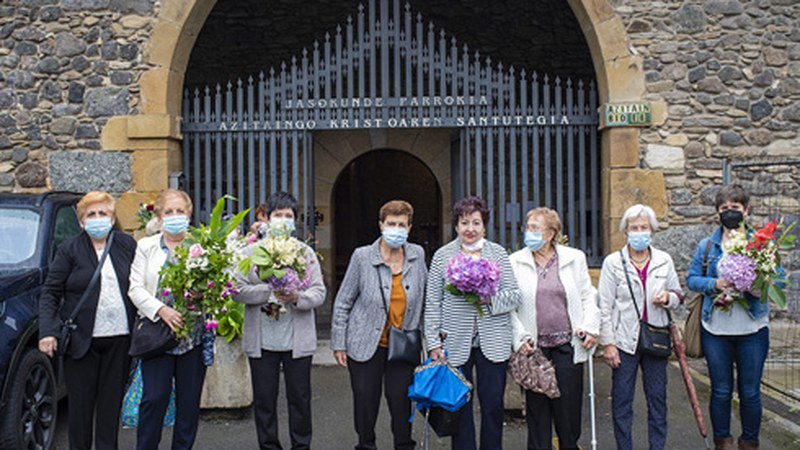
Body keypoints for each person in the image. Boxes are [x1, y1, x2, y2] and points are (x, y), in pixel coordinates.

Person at [38, 191, 137, 450]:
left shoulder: (127, 245)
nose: (97, 218)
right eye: (90, 215)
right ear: (81, 222)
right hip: (82, 341)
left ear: (112, 217)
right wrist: (47, 331)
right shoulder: (69, 249)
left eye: (102, 213)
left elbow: (140, 285)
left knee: (109, 408)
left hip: (119, 340)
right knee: (80, 410)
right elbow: (50, 292)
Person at [687, 186, 780, 450]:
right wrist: (716, 283)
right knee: (721, 390)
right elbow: (692, 279)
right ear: (717, 212)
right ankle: (723, 442)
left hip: (752, 329)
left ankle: (749, 442)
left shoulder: (762, 244)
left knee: (750, 392)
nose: (730, 213)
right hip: (716, 330)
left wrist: (755, 283)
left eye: (735, 208)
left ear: (745, 211)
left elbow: (776, 278)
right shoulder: (707, 246)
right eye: (725, 208)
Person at [424, 196, 521, 450]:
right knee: (459, 405)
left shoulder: (497, 253)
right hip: (454, 340)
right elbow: (433, 302)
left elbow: (513, 296)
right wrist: (433, 342)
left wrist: (487, 297)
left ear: (484, 226)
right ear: (456, 225)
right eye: (464, 222)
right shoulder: (442, 256)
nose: (470, 229)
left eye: (476, 223)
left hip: (494, 341)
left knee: (492, 406)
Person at [233, 191, 326, 450]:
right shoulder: (250, 252)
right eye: (278, 215)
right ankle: (269, 446)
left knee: (300, 399)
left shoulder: (305, 254)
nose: (283, 220)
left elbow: (319, 292)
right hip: (262, 341)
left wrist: (296, 296)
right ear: (266, 218)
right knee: (264, 401)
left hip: (296, 340)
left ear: (295, 221)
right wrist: (268, 292)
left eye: (288, 216)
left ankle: (301, 446)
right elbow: (236, 290)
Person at [331, 200, 427, 450]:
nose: (396, 228)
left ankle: (404, 445)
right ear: (381, 225)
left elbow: (426, 301)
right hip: (365, 342)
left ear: (409, 227)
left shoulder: (417, 255)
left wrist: (432, 342)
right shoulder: (362, 257)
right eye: (391, 223)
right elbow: (343, 302)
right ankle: (366, 445)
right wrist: (339, 343)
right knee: (365, 403)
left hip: (403, 345)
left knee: (401, 402)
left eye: (402, 224)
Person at [509, 207, 599, 450]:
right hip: (534, 350)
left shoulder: (573, 258)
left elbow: (588, 296)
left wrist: (591, 328)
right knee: (537, 414)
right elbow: (510, 308)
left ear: (551, 233)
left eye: (535, 228)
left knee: (567, 412)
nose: (529, 233)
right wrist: (519, 337)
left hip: (567, 347)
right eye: (527, 227)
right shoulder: (515, 261)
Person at [597, 204, 683, 450]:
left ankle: (657, 446)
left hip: (655, 339)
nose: (638, 232)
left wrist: (668, 297)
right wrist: (608, 344)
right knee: (622, 402)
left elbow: (678, 295)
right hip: (624, 342)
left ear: (652, 231)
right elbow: (604, 305)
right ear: (625, 232)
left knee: (658, 400)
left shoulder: (663, 260)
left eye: (643, 227)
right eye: (633, 228)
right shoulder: (613, 263)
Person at [128, 189, 206, 450]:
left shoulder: (201, 246)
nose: (175, 216)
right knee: (154, 398)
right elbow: (135, 288)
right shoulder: (146, 247)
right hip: (157, 336)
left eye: (180, 211)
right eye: (169, 212)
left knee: (189, 404)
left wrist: (203, 290)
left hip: (191, 338)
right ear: (159, 217)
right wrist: (161, 310)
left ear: (189, 214)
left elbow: (217, 283)